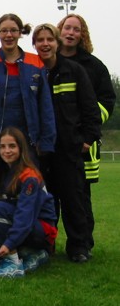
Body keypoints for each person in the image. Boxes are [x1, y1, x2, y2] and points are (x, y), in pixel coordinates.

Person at [33, 23, 101, 263]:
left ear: (57, 42)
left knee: (74, 200)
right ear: (34, 44)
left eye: (49, 39)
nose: (44, 44)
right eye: (39, 40)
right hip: (42, 150)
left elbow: (91, 109)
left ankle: (79, 247)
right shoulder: (34, 72)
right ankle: (47, 245)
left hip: (69, 149)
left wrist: (87, 140)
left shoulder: (74, 71)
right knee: (46, 202)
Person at [57, 14, 116, 256]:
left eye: (76, 29)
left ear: (83, 35)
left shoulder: (94, 66)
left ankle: (82, 245)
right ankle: (47, 244)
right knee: (51, 198)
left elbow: (106, 103)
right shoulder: (48, 62)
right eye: (66, 28)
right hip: (54, 143)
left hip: (82, 144)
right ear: (59, 31)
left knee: (79, 197)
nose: (70, 33)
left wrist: (86, 130)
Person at [0, 14, 56, 177]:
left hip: (28, 145)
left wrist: (46, 141)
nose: (9, 35)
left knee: (27, 192)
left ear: (20, 33)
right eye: (4, 31)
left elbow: (45, 106)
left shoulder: (36, 63)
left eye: (13, 30)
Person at [0, 127, 57, 278]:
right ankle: (34, 253)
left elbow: (25, 215)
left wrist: (9, 244)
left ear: (21, 148)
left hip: (41, 229)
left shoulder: (29, 176)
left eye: (12, 146)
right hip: (28, 225)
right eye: (2, 147)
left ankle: (13, 263)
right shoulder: (6, 171)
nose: (7, 151)